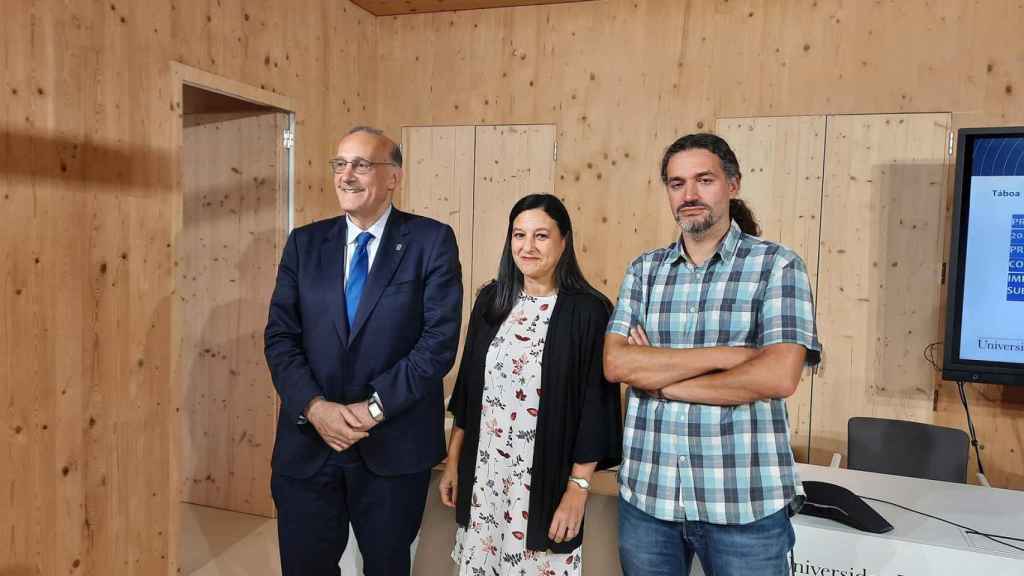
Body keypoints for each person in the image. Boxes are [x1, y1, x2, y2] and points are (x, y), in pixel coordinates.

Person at [603, 133, 822, 576]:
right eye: (676, 183)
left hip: (743, 503)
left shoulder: (777, 266)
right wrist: (730, 355)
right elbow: (617, 363)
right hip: (650, 498)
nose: (689, 195)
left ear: (733, 185)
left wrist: (663, 380)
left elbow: (779, 376)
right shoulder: (644, 271)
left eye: (704, 180)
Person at [264, 126, 463, 575]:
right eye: (340, 164)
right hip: (309, 443)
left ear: (393, 177)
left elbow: (437, 344)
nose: (346, 175)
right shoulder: (304, 243)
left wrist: (371, 411)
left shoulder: (431, 242)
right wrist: (316, 408)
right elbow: (280, 337)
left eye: (361, 164)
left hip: (391, 447)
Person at [440, 194, 622, 576]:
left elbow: (596, 407)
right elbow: (470, 392)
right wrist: (453, 463)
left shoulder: (589, 310)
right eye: (518, 235)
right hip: (486, 478)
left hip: (545, 483)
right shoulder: (492, 301)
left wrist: (578, 490)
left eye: (541, 236)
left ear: (564, 241)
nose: (527, 246)